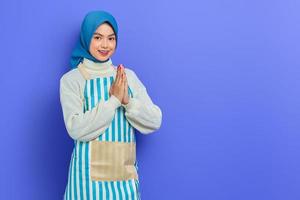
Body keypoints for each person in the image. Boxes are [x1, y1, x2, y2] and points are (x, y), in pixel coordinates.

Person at [59, 10, 162, 200]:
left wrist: (128, 102)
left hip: (124, 182)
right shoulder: (73, 80)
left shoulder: (127, 76)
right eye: (97, 37)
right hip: (86, 184)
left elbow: (155, 120)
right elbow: (75, 128)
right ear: (86, 37)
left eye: (111, 38)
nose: (105, 45)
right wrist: (114, 101)